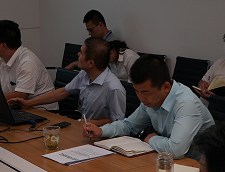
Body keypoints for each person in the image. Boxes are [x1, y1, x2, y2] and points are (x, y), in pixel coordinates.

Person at [83, 55, 214, 158]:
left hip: (200, 167)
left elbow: (176, 150)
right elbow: (129, 125)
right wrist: (101, 131)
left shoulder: (186, 104)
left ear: (166, 87)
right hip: (168, 160)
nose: (141, 98)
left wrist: (152, 139)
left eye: (145, 92)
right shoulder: (151, 100)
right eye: (137, 91)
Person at [9, 37, 126, 126]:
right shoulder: (84, 74)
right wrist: (28, 103)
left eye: (81, 53)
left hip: (103, 138)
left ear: (91, 63)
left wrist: (86, 122)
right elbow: (63, 92)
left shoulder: (113, 88)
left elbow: (117, 123)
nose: (78, 54)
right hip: (84, 130)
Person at [0, 19, 57, 110]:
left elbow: (21, 95)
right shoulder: (1, 60)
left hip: (42, 111)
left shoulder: (28, 62)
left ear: (3, 46)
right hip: (17, 108)